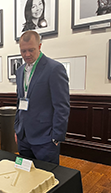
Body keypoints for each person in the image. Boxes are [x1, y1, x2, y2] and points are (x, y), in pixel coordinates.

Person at [14, 31, 70, 165]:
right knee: (26, 177)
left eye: (31, 50)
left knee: (47, 178)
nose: (27, 54)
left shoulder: (54, 69)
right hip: (23, 137)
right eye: (23, 51)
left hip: (45, 139)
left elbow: (62, 106)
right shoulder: (20, 71)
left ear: (39, 46)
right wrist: (17, 128)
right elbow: (19, 101)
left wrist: (56, 137)